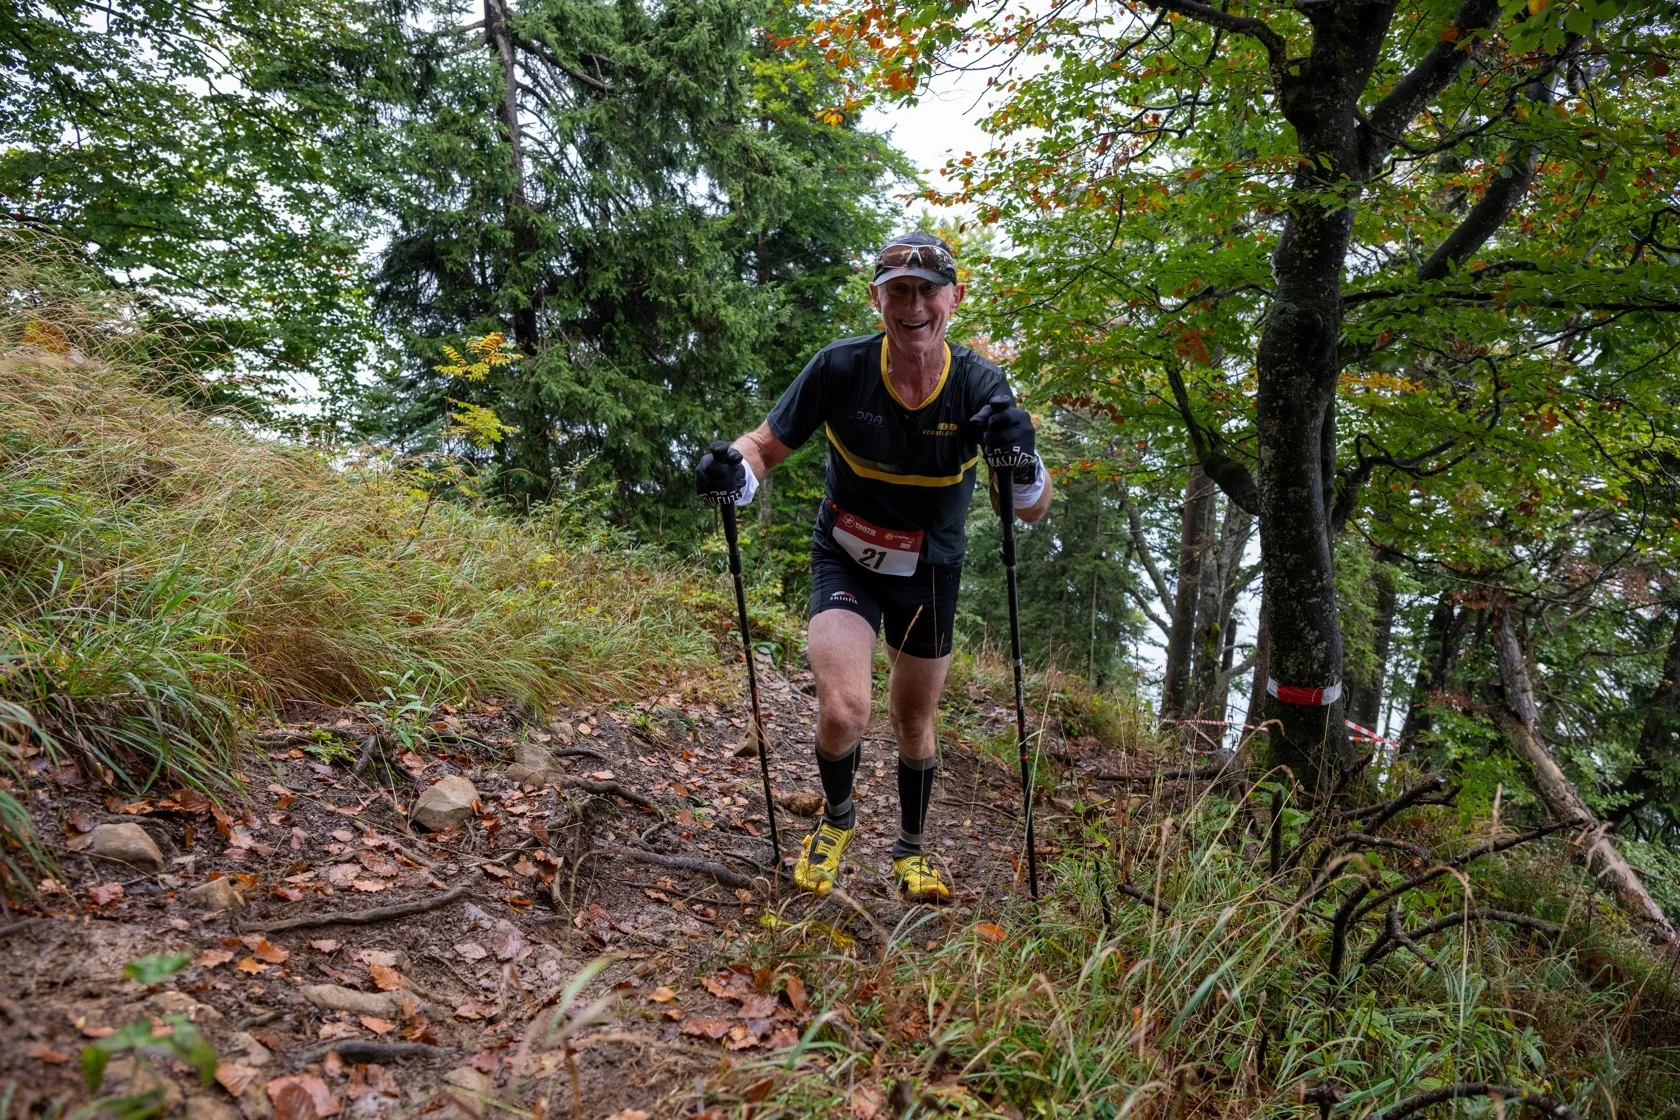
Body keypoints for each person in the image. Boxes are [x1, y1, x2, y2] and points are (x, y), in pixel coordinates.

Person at [694, 232, 1051, 903]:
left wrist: (1024, 463)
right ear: (876, 299)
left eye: (927, 290)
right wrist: (731, 470)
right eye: (898, 292)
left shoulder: (979, 385)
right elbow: (763, 447)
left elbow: (1026, 508)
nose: (913, 306)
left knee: (914, 722)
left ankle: (911, 848)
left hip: (930, 570)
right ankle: (837, 820)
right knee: (843, 710)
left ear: (954, 297)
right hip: (846, 558)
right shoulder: (840, 368)